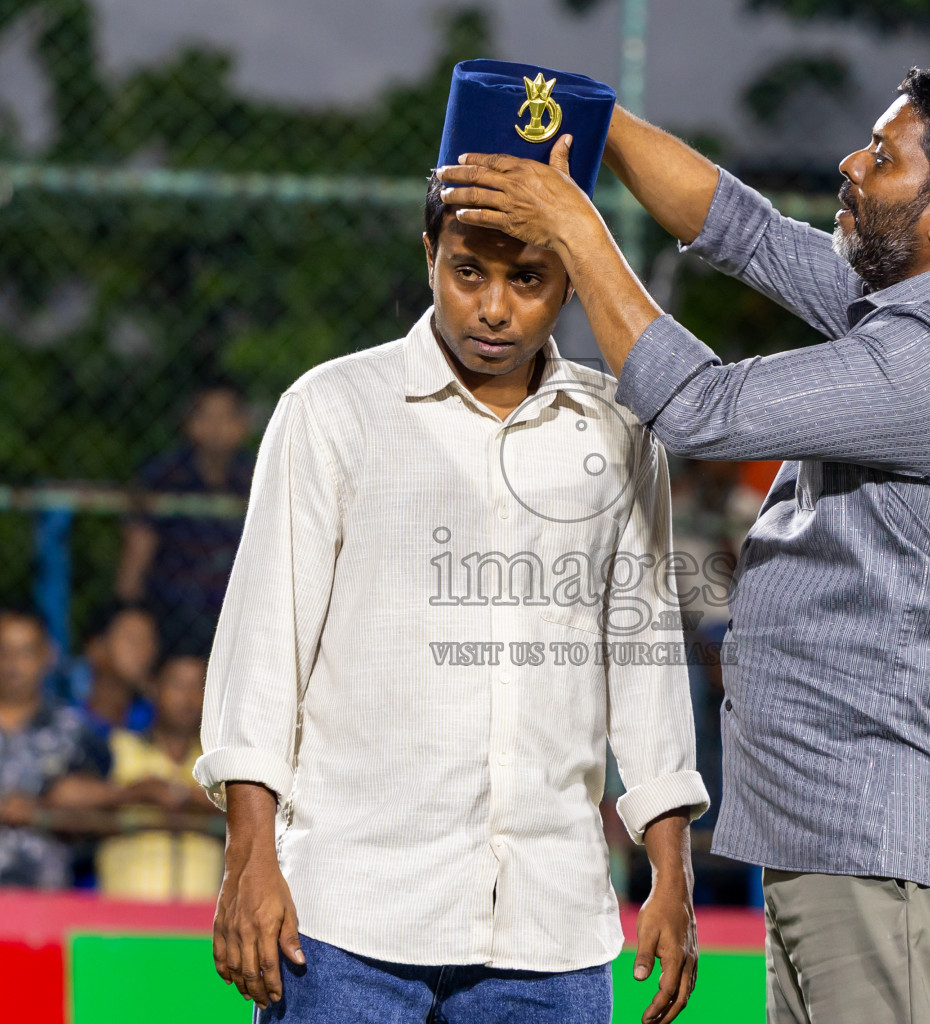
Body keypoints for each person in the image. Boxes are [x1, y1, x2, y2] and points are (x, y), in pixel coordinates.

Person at [441, 66, 930, 1022]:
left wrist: (576, 230)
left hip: (881, 827)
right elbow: (744, 231)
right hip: (838, 828)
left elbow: (701, 408)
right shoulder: (922, 307)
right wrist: (584, 116)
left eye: (883, 156)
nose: (851, 164)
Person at [198, 61, 708, 1024]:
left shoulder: (619, 432)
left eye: (529, 278)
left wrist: (670, 873)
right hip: (345, 920)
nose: (493, 307)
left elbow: (644, 663)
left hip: (550, 931)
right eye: (468, 271)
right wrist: (249, 858)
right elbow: (264, 648)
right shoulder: (334, 410)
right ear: (429, 249)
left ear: (570, 278)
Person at [0, 610, 110, 889]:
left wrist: (46, 808)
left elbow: (104, 803)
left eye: (26, 652)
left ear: (48, 655)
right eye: (3, 651)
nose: (13, 664)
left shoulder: (75, 730)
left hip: (50, 898)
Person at [116, 383, 254, 656]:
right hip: (174, 607)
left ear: (242, 425)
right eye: (207, 416)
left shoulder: (258, 476)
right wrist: (126, 607)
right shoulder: (164, 477)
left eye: (226, 417)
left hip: (240, 607)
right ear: (189, 423)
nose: (216, 428)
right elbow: (138, 549)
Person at [98, 655, 221, 901]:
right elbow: (65, 795)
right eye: (177, 684)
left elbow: (253, 812)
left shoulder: (219, 761)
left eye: (198, 686)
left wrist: (189, 797)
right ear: (153, 688)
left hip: (203, 915)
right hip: (125, 912)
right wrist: (137, 793)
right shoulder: (119, 746)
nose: (188, 697)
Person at [68, 603, 160, 739]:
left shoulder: (154, 721)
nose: (145, 651)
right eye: (132, 640)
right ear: (96, 649)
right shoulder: (68, 721)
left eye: (150, 641)